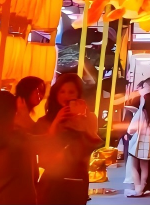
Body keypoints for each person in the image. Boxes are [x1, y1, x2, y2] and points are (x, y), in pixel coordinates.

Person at [34, 72, 102, 205]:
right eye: (62, 91)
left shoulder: (90, 118)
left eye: (71, 92)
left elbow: (93, 145)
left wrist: (82, 122)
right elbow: (42, 153)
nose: (66, 96)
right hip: (51, 180)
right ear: (55, 94)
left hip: (77, 179)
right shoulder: (45, 120)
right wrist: (56, 122)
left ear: (78, 94)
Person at [126, 83, 150, 198]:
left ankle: (137, 189)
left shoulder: (141, 112)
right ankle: (142, 186)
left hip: (137, 144)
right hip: (149, 146)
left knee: (134, 167)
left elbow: (131, 130)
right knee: (145, 167)